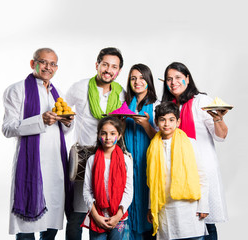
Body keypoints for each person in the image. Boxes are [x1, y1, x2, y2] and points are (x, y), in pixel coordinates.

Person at [2, 48, 74, 239]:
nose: (48, 67)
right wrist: (40, 120)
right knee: (26, 228)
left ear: (56, 68)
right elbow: (7, 128)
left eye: (52, 64)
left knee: (50, 226)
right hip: (31, 166)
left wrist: (67, 122)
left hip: (56, 165)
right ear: (33, 63)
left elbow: (63, 131)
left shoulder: (55, 92)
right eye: (43, 62)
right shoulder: (17, 90)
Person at [161, 62, 229, 240]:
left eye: (177, 77)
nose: (173, 82)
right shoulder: (168, 107)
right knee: (186, 223)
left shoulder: (202, 102)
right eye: (169, 79)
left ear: (187, 79)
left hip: (202, 171)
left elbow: (220, 136)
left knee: (206, 219)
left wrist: (219, 119)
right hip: (178, 173)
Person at [65, 47, 126, 240]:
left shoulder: (121, 93)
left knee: (107, 213)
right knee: (76, 216)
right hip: (84, 159)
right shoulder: (80, 87)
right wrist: (67, 122)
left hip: (109, 161)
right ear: (97, 65)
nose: (108, 70)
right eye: (105, 64)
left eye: (114, 67)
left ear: (118, 71)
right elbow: (64, 112)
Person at [146, 102, 209, 240]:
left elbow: (202, 176)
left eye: (171, 119)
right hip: (165, 209)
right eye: (162, 119)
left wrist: (204, 205)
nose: (166, 124)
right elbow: (153, 181)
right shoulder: (153, 147)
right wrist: (151, 206)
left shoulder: (190, 143)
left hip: (190, 208)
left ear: (178, 122)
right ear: (156, 122)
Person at [123, 64, 159, 240]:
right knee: (130, 205)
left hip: (149, 164)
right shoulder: (125, 106)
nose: (137, 82)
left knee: (148, 207)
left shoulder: (157, 106)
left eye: (141, 78)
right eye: (133, 78)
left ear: (148, 80)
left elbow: (162, 140)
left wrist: (145, 124)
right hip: (129, 166)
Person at [82, 116, 133, 240]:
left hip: (119, 217)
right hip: (98, 217)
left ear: (119, 136)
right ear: (98, 135)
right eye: (103, 133)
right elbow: (87, 191)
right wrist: (95, 215)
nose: (108, 138)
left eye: (112, 133)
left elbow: (128, 191)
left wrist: (117, 216)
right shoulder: (92, 160)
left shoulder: (126, 160)